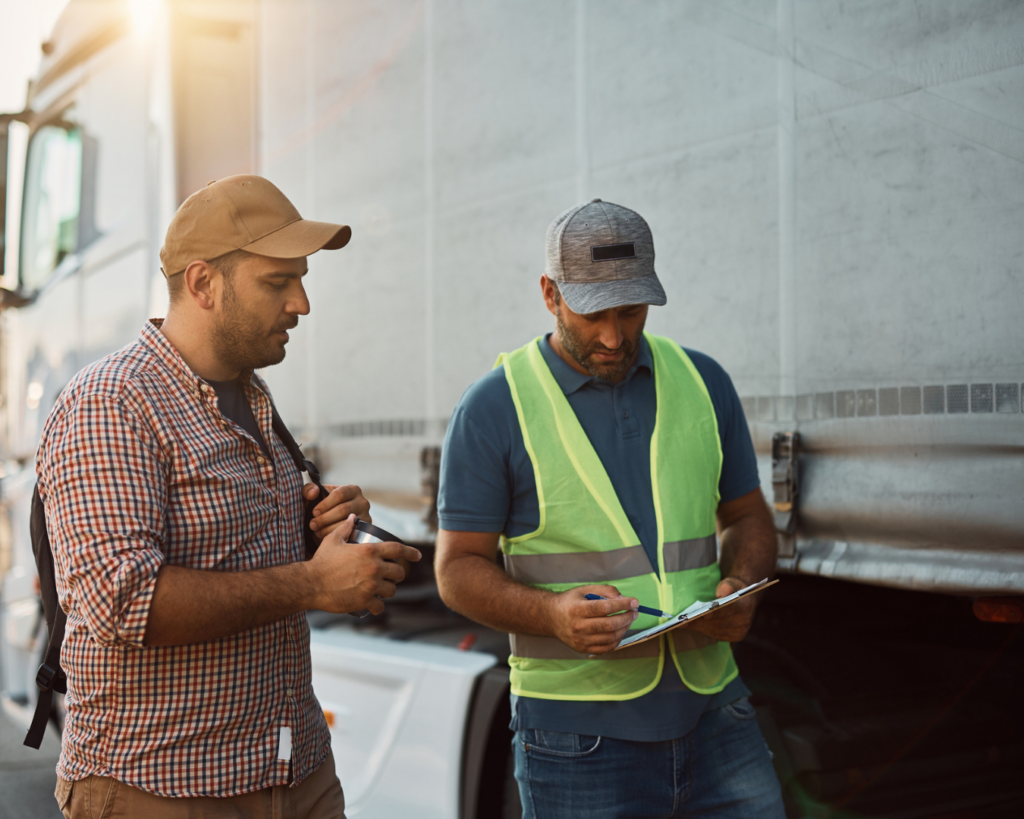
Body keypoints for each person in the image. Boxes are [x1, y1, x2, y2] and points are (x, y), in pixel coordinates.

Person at [37, 175, 421, 818]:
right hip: (161, 790)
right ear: (202, 284)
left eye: (301, 279)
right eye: (277, 282)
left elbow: (235, 550)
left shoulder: (254, 397)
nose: (301, 303)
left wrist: (319, 534)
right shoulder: (111, 403)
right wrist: (312, 584)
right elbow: (121, 600)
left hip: (295, 773)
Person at [434, 199, 786, 818]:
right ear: (550, 293)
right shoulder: (493, 407)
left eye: (631, 311)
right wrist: (550, 614)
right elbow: (456, 569)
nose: (614, 336)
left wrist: (743, 584)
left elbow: (750, 518)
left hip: (717, 713)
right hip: (577, 739)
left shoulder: (705, 382)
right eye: (594, 313)